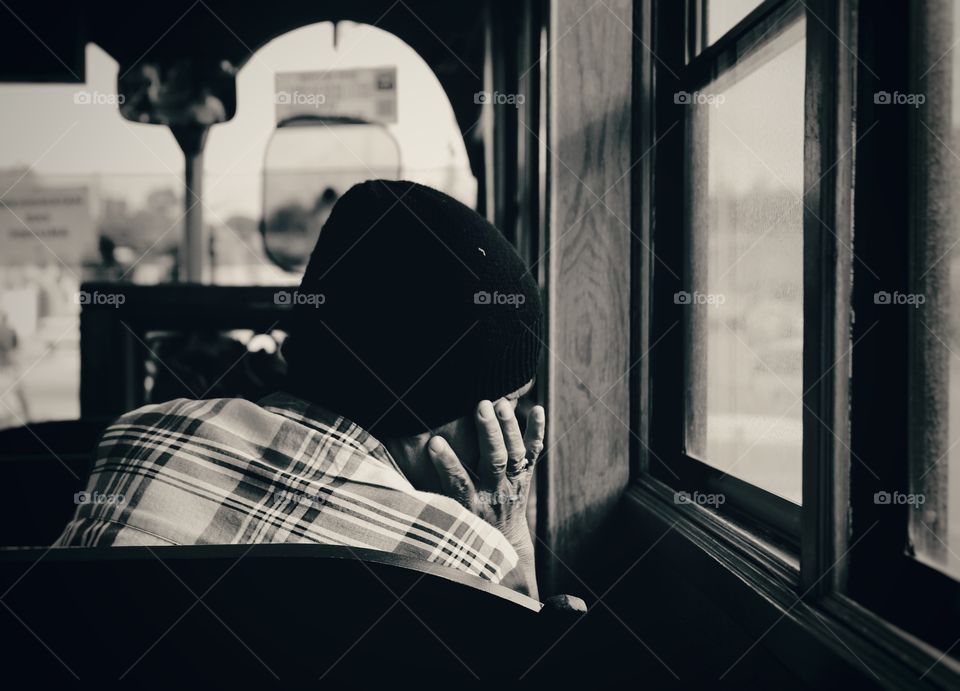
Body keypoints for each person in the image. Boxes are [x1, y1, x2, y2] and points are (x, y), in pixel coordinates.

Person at [56, 180, 545, 597]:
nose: (516, 445)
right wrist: (511, 537)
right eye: (511, 403)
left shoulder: (139, 439)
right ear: (435, 417)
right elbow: (524, 663)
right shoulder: (463, 559)